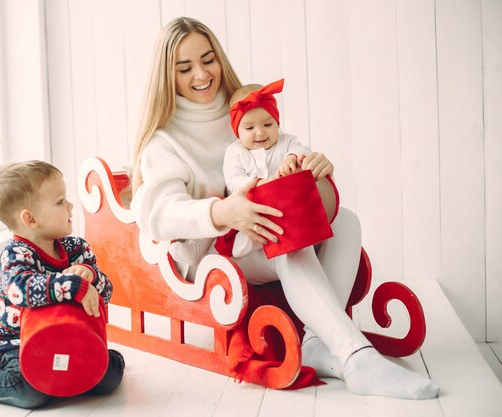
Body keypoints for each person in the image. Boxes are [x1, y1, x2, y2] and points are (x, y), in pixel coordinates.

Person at [131, 16, 438, 399]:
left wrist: (310, 168)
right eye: (184, 67)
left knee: (345, 222)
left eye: (207, 59)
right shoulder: (166, 140)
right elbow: (155, 214)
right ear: (167, 76)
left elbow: (279, 158)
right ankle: (359, 357)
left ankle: (318, 342)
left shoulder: (244, 111)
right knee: (285, 240)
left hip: (264, 229)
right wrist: (223, 212)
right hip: (217, 255)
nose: (201, 74)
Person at [0, 160, 125, 409]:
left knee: (108, 378)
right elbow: (20, 289)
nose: (70, 205)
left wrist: (91, 275)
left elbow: (107, 293)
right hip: (20, 344)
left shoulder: (77, 248)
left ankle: (99, 364)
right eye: (60, 201)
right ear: (30, 219)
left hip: (74, 336)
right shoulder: (15, 254)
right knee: (31, 394)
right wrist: (71, 285)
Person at [169, 78, 332, 264]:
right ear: (237, 130)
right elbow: (233, 179)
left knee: (281, 228)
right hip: (248, 207)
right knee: (218, 207)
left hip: (285, 208)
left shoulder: (286, 142)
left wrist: (292, 158)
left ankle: (254, 243)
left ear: (277, 122)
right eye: (249, 127)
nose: (260, 133)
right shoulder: (235, 152)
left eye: (268, 125)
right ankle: (195, 248)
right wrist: (256, 186)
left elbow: (303, 151)